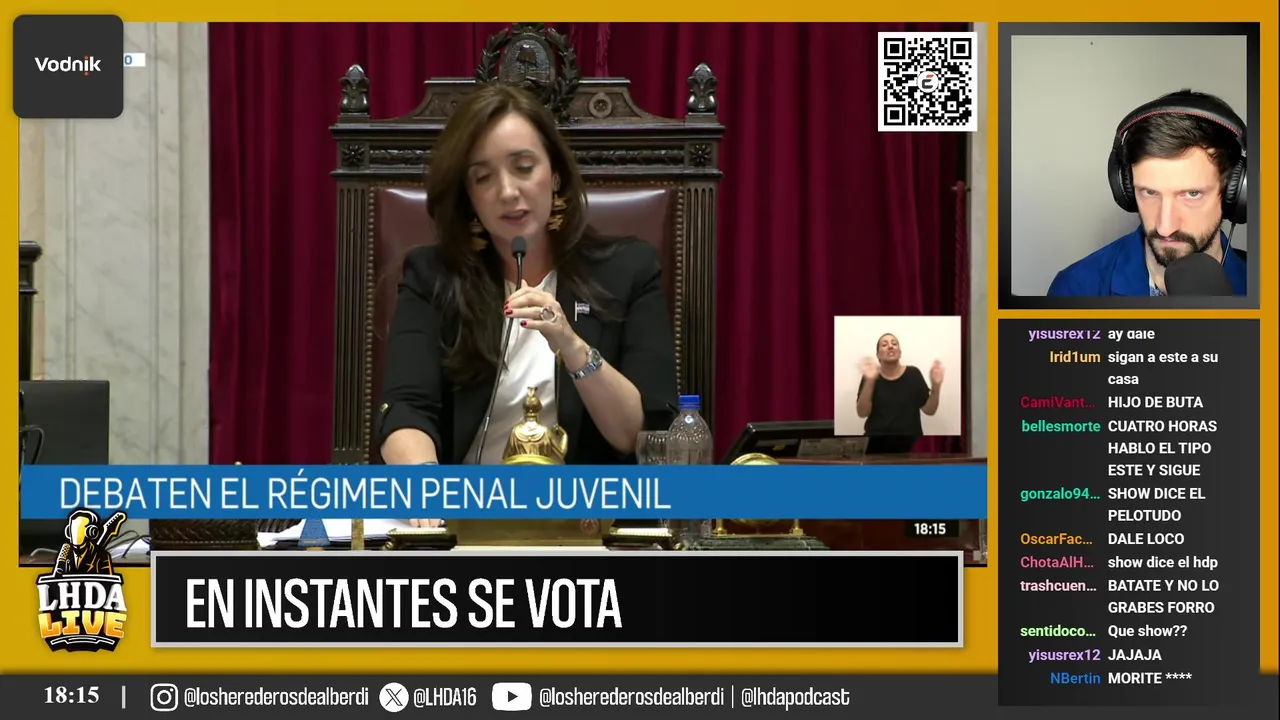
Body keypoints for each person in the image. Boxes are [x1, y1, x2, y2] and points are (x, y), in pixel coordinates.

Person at [377, 83, 678, 491]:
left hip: (585, 514)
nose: (507, 191)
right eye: (483, 177)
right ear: (468, 196)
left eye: (523, 167)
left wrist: (572, 347)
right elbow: (406, 410)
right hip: (467, 511)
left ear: (554, 175)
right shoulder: (433, 277)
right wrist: (426, 488)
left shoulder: (627, 270)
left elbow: (641, 436)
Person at [1047, 90, 1247, 297]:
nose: (1165, 228)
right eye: (1150, 192)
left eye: (1192, 193)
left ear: (1233, 193)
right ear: (1126, 189)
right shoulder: (1075, 289)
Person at [856, 334, 943, 454]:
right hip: (876, 444)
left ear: (900, 353)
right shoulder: (870, 375)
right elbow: (862, 413)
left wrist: (936, 386)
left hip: (911, 445)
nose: (890, 346)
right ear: (878, 355)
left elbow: (929, 410)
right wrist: (870, 380)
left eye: (894, 343)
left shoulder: (913, 374)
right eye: (884, 344)